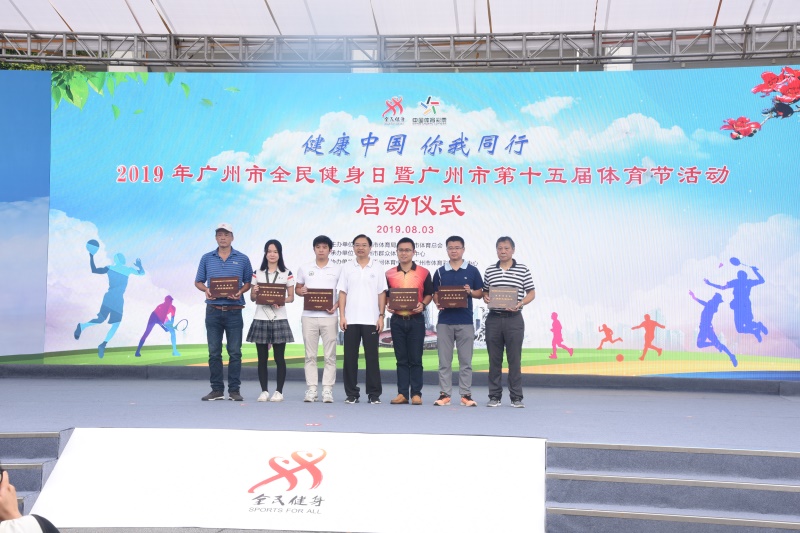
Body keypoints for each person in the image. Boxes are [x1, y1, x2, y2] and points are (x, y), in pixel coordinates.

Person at [194, 223, 253, 401]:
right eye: (219, 234)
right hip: (213, 311)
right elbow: (198, 281)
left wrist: (240, 291)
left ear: (232, 237)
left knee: (235, 352)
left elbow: (248, 282)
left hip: (234, 311)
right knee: (214, 352)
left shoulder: (242, 258)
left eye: (226, 234)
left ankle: (234, 390)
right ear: (216, 238)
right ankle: (217, 390)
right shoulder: (207, 258)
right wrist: (206, 289)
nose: (223, 237)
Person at [482, 236, 536, 408]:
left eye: (506, 248)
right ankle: (494, 396)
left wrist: (520, 303)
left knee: (514, 360)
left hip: (514, 319)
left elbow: (531, 293)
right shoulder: (490, 270)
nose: (503, 251)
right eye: (500, 248)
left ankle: (516, 397)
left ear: (513, 250)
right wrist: (486, 297)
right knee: (494, 360)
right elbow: (485, 292)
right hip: (494, 319)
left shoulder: (523, 269)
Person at [431, 236, 483, 407]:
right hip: (445, 322)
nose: (454, 250)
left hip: (465, 321)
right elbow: (435, 294)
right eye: (450, 248)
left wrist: (470, 292)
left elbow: (480, 293)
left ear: (463, 249)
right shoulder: (440, 272)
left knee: (465, 362)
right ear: (447, 250)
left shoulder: (472, 271)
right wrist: (438, 302)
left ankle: (465, 395)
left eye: (457, 247)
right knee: (444, 361)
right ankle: (444, 394)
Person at [337, 234, 388, 405]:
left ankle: (374, 394)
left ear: (370, 247)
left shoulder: (377, 267)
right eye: (357, 245)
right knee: (350, 359)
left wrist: (381, 316)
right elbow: (342, 292)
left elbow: (382, 293)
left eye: (364, 245)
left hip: (371, 320)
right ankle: (352, 393)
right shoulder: (347, 267)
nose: (360, 248)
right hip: (351, 319)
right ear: (353, 247)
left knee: (372, 358)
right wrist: (342, 316)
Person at [385, 237, 433, 406]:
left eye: (407, 250)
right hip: (397, 320)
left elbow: (429, 293)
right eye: (401, 250)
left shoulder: (424, 272)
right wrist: (388, 305)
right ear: (396, 252)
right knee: (401, 359)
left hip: (416, 320)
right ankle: (402, 393)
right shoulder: (389, 273)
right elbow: (386, 295)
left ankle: (416, 394)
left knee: (416, 358)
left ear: (414, 252)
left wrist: (423, 304)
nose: (404, 253)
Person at [74, 248, 144, 359]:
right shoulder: (127, 270)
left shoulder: (111, 268)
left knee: (103, 320)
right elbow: (142, 273)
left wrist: (91, 256)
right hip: (116, 300)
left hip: (111, 298)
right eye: (121, 257)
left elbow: (94, 269)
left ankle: (83, 327)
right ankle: (102, 343)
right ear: (120, 259)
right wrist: (140, 266)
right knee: (114, 323)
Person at [248, 239, 295, 402]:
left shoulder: (287, 273)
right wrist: (254, 292)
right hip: (261, 317)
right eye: (269, 251)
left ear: (280, 254)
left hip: (279, 318)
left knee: (279, 358)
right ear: (265, 253)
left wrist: (281, 301)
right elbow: (252, 297)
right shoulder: (258, 272)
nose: (272, 254)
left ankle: (279, 391)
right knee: (262, 358)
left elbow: (291, 297)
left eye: (275, 251)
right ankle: (264, 391)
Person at [295, 235, 341, 403]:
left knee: (330, 356)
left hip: (330, 316)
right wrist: (301, 291)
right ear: (314, 249)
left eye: (324, 247)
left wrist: (336, 306)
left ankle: (327, 390)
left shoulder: (338, 269)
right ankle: (312, 389)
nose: (321, 250)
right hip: (309, 317)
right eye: (318, 247)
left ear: (330, 250)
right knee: (310, 355)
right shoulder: (305, 268)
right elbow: (297, 288)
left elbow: (343, 292)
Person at [704, 266, 768, 342]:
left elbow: (722, 287)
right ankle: (756, 330)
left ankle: (758, 327)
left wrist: (710, 283)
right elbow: (762, 280)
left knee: (745, 325)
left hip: (742, 305)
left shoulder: (739, 282)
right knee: (742, 327)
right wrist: (755, 271)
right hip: (740, 305)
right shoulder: (746, 282)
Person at [689, 290, 737, 367]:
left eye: (714, 297)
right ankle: (731, 355)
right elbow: (704, 303)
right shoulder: (711, 305)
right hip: (706, 328)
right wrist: (694, 297)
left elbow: (704, 303)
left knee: (700, 344)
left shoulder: (712, 306)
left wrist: (694, 297)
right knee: (713, 344)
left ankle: (727, 353)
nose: (712, 298)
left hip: (706, 329)